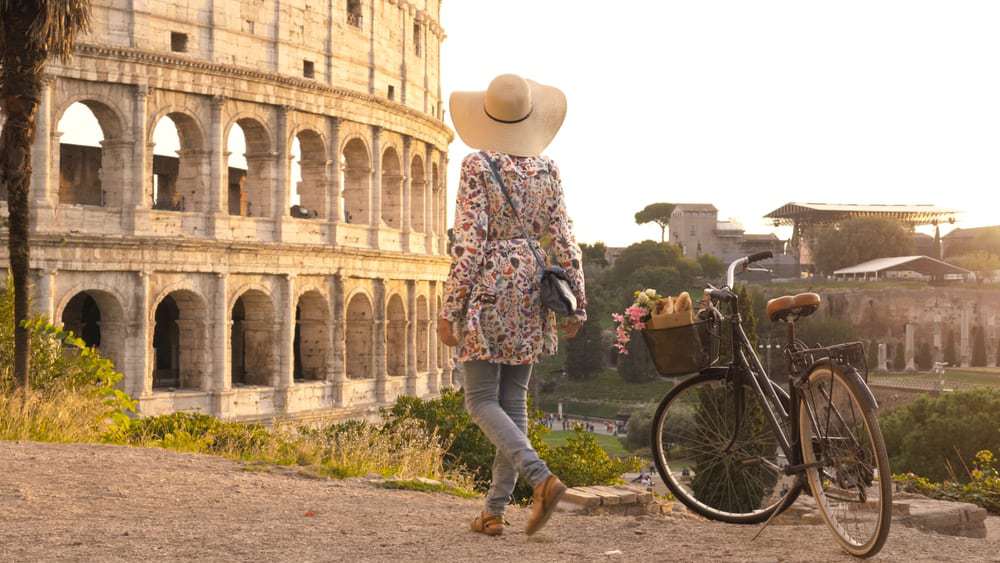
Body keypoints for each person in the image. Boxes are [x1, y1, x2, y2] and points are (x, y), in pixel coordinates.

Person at [437, 74, 587, 538]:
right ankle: (494, 511)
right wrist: (576, 302)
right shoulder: (548, 169)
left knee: (480, 400)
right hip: (534, 285)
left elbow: (470, 241)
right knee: (512, 401)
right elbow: (564, 238)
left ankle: (541, 480)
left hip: (490, 286)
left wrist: (451, 306)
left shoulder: (478, 166)